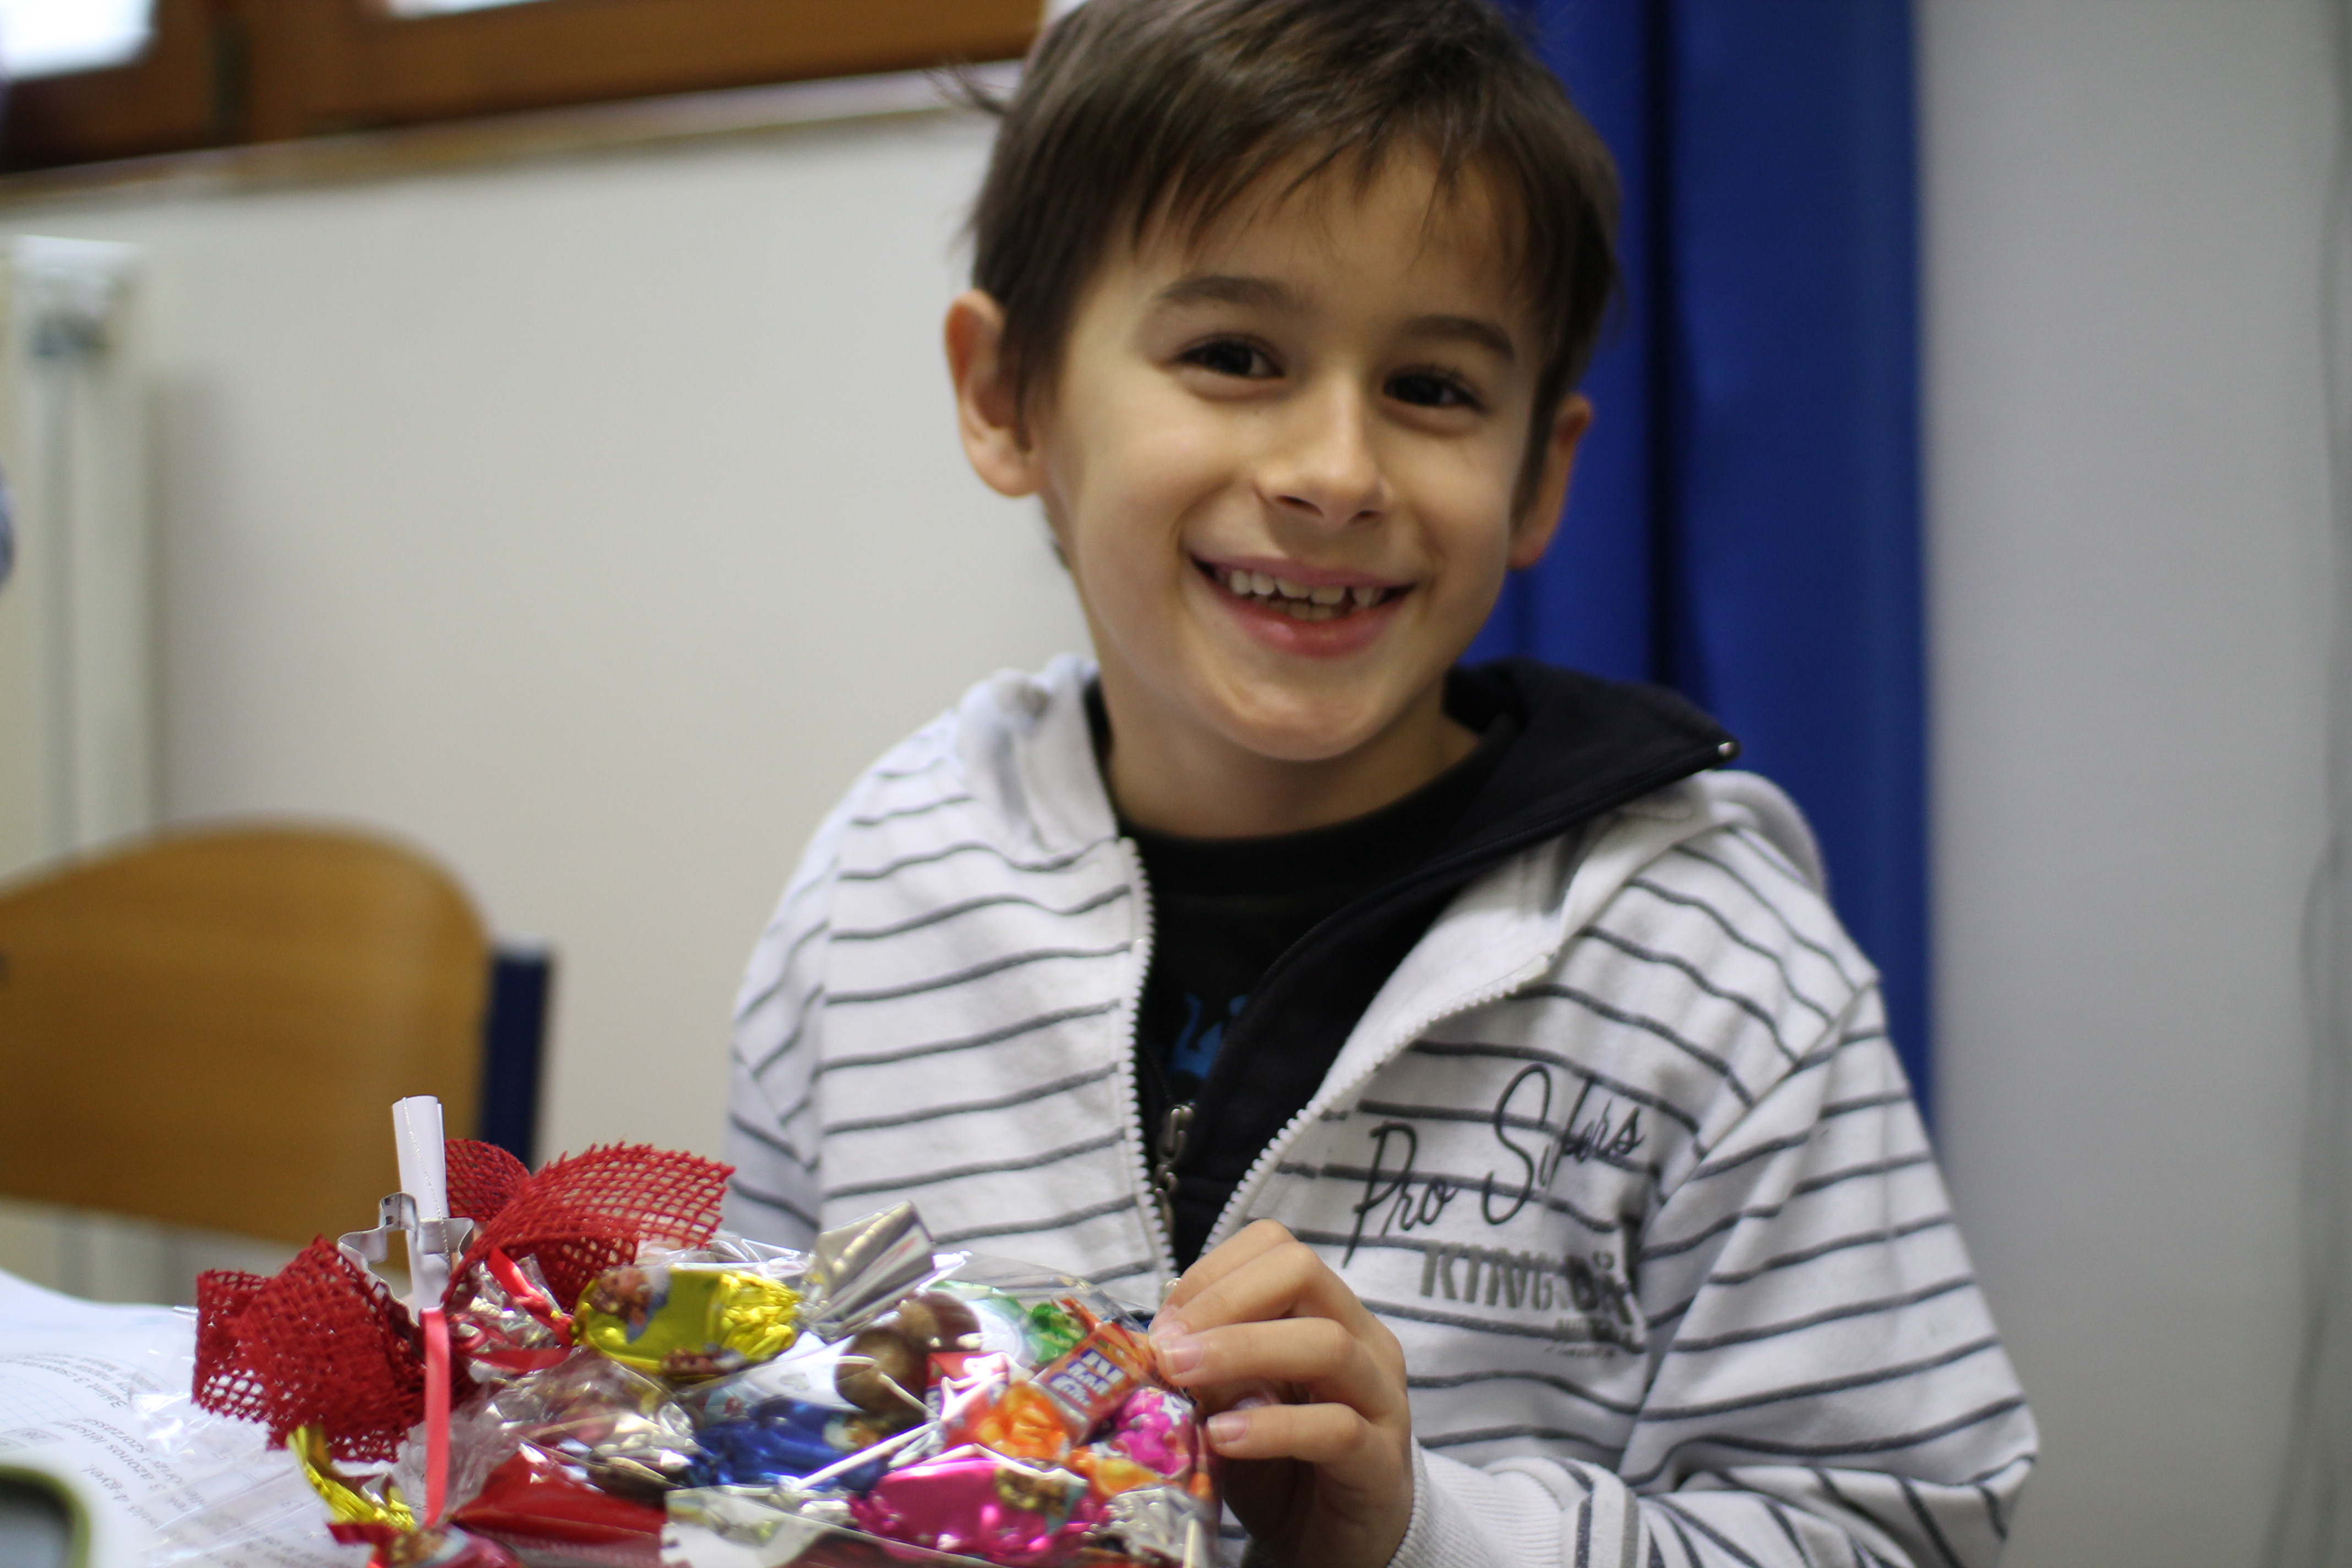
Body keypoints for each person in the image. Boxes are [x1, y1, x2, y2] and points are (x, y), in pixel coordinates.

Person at [723, 2, 2035, 1565]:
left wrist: (1425, 1530)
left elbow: (1893, 1528)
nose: (1336, 472)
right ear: (1008, 396)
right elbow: (752, 1422)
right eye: (1233, 356)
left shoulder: (1717, 967)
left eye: (1433, 388)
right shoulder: (875, 895)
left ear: (1541, 473)